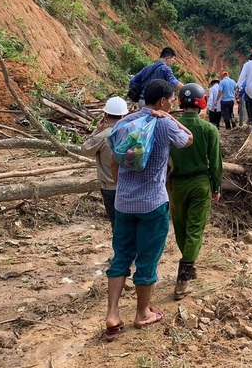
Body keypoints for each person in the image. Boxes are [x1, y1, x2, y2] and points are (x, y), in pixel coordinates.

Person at [104, 79, 193, 342]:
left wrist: (122, 189)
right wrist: (173, 119)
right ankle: (142, 312)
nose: (174, 104)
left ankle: (112, 314)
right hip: (152, 203)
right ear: (163, 101)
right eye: (171, 101)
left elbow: (114, 159)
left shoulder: (124, 123)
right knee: (147, 258)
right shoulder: (164, 123)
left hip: (123, 202)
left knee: (121, 256)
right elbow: (188, 140)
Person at [169, 83, 222, 300]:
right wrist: (216, 187)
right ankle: (183, 280)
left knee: (181, 228)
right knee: (195, 230)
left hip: (176, 186)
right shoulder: (209, 129)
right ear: (202, 104)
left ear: (180, 102)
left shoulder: (171, 127)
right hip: (200, 185)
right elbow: (216, 162)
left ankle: (189, 267)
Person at [79, 96, 128, 228]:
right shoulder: (131, 133)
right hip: (131, 187)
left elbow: (85, 149)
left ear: (105, 115)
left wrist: (97, 130)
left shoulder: (102, 136)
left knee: (118, 228)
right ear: (124, 115)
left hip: (110, 189)